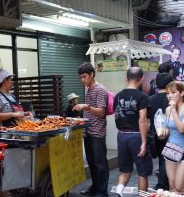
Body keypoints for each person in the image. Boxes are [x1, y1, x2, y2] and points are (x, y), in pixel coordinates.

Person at [113, 67, 153, 196]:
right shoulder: (142, 96)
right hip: (136, 136)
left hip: (121, 136)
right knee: (143, 172)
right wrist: (144, 142)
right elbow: (142, 120)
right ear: (141, 79)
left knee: (125, 170)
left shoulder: (118, 96)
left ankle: (118, 193)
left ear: (126, 79)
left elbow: (118, 115)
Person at [73, 63, 109, 197]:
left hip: (97, 132)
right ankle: (95, 187)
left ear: (92, 75)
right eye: (80, 78)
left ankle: (102, 191)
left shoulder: (100, 89)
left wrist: (86, 107)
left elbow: (101, 112)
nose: (82, 80)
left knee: (100, 163)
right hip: (88, 131)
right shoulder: (89, 89)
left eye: (84, 77)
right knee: (92, 163)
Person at [148, 73, 173, 190]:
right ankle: (163, 185)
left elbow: (147, 119)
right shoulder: (173, 98)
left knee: (162, 160)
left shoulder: (150, 100)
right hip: (171, 135)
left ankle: (164, 183)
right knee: (167, 160)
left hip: (155, 136)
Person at [164, 81, 184, 193]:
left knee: (180, 186)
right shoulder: (167, 109)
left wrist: (174, 110)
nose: (169, 95)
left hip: (183, 149)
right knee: (172, 185)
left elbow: (181, 129)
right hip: (171, 148)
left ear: (182, 93)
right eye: (168, 93)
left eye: (173, 92)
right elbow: (169, 130)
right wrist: (162, 134)